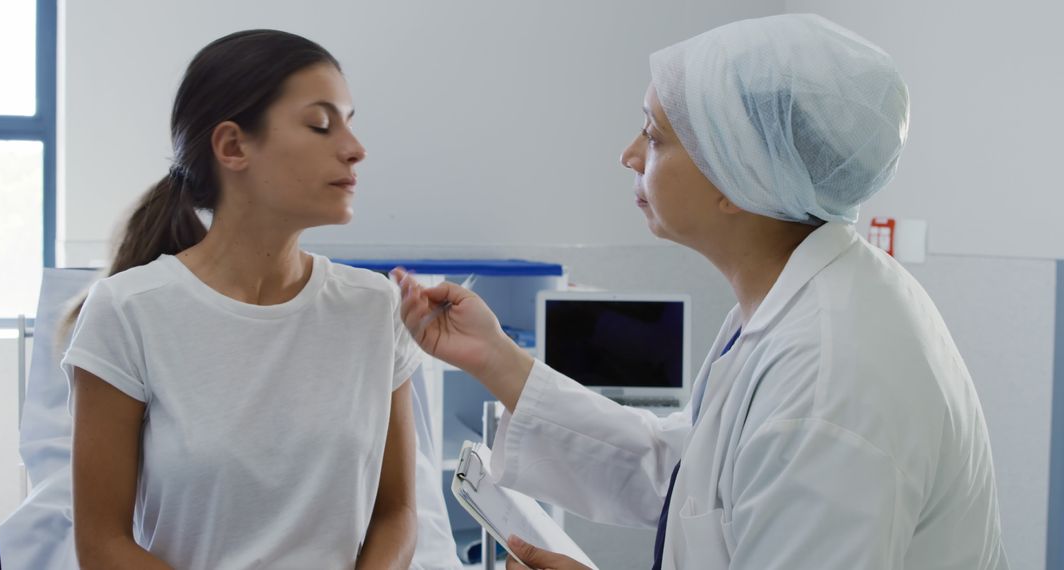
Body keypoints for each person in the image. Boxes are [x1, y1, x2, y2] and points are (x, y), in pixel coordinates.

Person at [392, 13, 1009, 569]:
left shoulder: (830, 379)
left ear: (735, 173)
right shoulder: (798, 300)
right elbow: (682, 475)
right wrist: (496, 360)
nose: (629, 155)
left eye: (654, 136)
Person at [62, 30, 420, 569]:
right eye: (322, 124)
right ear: (233, 147)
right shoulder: (129, 311)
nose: (355, 148)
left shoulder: (375, 309)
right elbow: (102, 544)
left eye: (350, 121)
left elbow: (398, 512)